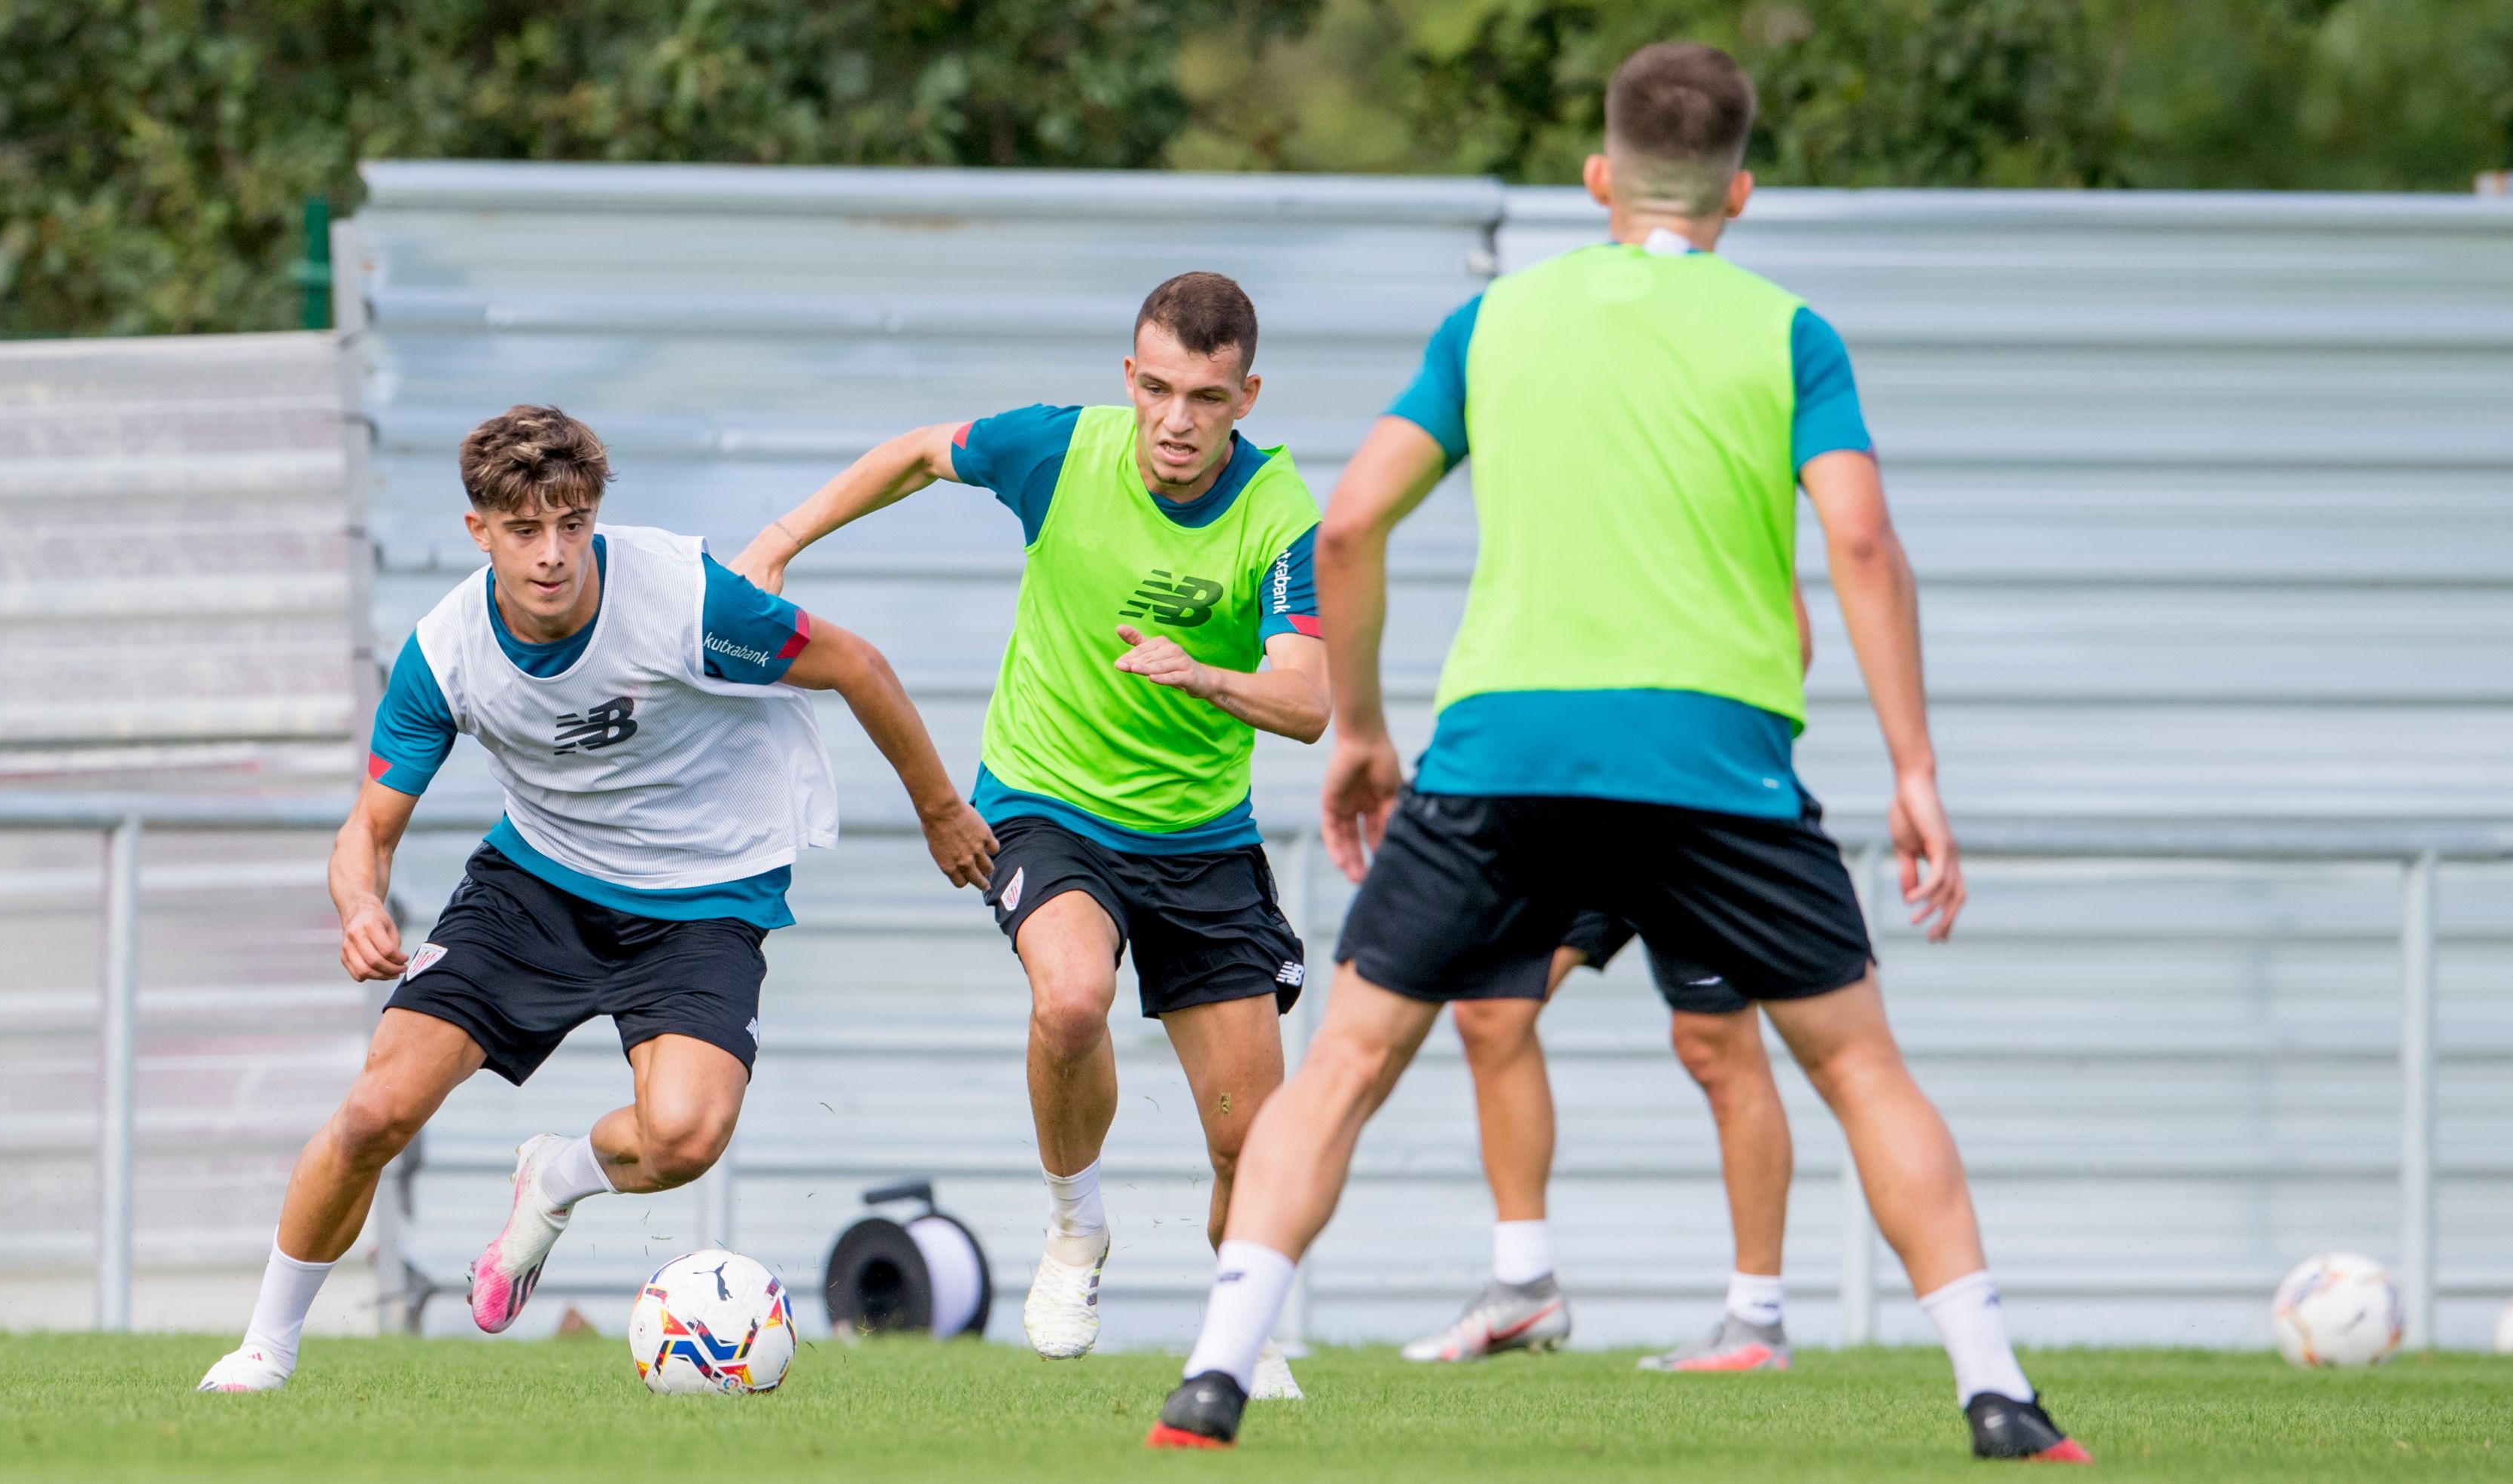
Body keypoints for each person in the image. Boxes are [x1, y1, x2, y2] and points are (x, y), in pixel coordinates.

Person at [1148, 43, 2089, 1463]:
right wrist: (1914, 770)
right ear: (1740, 192)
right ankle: (1998, 1392)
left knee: (1344, 1058)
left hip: (1501, 753)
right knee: (1861, 1068)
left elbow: (1344, 526)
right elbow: (1859, 540)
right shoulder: (1788, 334)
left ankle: (1212, 1377)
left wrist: (1361, 730)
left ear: (1599, 178)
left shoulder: (1495, 322)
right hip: (1718, 758)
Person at [198, 405, 994, 1392]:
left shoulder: (684, 601)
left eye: (572, 523)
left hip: (704, 896)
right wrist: (360, 904)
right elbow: (366, 828)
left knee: (686, 1139)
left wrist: (937, 810)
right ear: (478, 532)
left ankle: (557, 1178)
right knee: (374, 1115)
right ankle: (265, 1349)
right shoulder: (444, 654)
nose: (552, 554)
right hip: (536, 885)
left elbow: (857, 665)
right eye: (524, 530)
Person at [733, 273, 1325, 1396]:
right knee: (1067, 998)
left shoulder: (1281, 514)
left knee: (1248, 1143)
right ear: (1127, 379)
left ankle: (1241, 1337)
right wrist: (779, 542)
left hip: (1201, 837)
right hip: (1047, 804)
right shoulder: (1058, 452)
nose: (1175, 421)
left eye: (1204, 396)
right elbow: (916, 452)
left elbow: (1307, 701)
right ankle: (1074, 1227)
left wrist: (1203, 673)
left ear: (1246, 395)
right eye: (1155, 389)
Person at [1403, 591, 1814, 1373]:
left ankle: (1755, 1319)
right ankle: (1523, 1284)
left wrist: (1726, 744)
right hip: (1575, 798)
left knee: (1713, 1041)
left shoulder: (1709, 481)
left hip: (1688, 798)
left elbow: (1790, 627)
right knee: (1489, 1008)